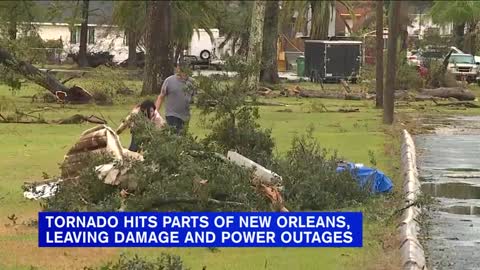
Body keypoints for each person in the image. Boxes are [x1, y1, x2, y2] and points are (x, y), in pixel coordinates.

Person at [155, 62, 195, 134]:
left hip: (185, 115)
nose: (183, 74)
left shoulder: (192, 82)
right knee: (175, 136)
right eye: (181, 71)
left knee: (182, 138)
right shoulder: (169, 81)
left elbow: (194, 97)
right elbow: (161, 97)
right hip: (172, 114)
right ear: (178, 69)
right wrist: (155, 112)